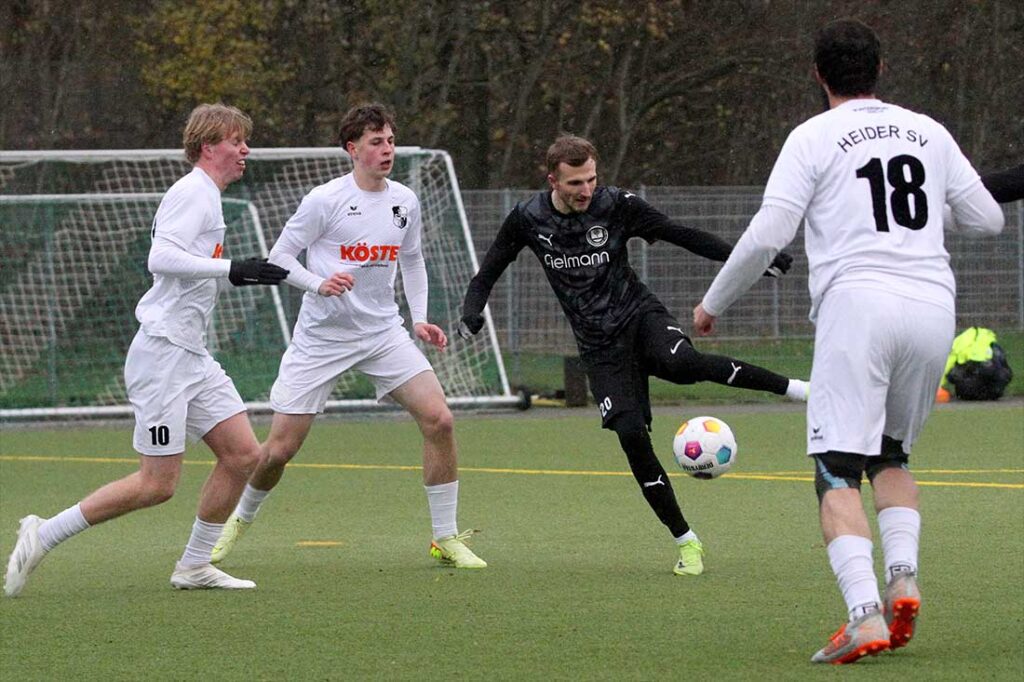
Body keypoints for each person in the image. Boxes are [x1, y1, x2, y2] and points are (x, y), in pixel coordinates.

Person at [692, 19, 1004, 664]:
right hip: (932, 307)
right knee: (892, 456)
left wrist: (712, 301)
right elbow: (988, 220)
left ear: (818, 75)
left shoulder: (812, 136)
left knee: (837, 467)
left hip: (858, 305)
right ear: (880, 69)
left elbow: (768, 232)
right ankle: (904, 579)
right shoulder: (929, 131)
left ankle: (864, 614)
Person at [457, 134, 808, 577]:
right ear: (552, 180)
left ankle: (798, 389)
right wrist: (472, 312)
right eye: (574, 184)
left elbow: (682, 235)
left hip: (639, 317)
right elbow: (487, 273)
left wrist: (755, 258)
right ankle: (687, 542)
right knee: (631, 435)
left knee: (683, 365)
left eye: (591, 179)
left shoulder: (617, 205)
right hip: (599, 347)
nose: (585, 190)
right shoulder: (527, 218)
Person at [4, 103, 290, 596]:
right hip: (162, 355)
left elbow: (192, 264)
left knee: (243, 455)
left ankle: (194, 566)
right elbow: (160, 258)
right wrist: (231, 269)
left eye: (246, 140)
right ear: (208, 147)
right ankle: (43, 532)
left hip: (190, 354)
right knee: (157, 485)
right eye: (236, 141)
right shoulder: (192, 192)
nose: (246, 150)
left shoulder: (209, 197)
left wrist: (241, 272)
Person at [210, 103, 487, 570]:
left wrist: (418, 318)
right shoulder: (325, 200)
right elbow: (280, 257)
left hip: (383, 333)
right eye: (376, 142)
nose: (387, 150)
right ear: (352, 149)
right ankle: (236, 521)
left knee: (439, 419)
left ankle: (444, 537)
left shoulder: (405, 201)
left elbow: (413, 261)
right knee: (278, 451)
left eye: (391, 141)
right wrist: (318, 283)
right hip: (322, 339)